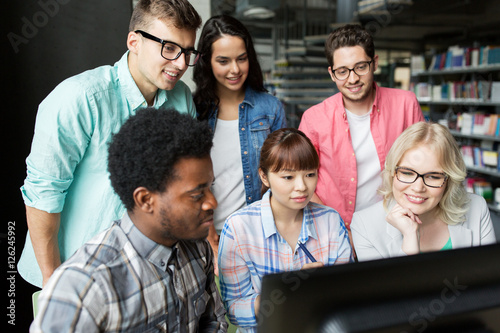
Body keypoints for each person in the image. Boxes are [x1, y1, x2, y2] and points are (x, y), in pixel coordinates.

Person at [19, 0, 202, 288]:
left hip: (140, 277)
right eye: (169, 48)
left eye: (188, 52)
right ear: (134, 41)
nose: (181, 64)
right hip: (72, 273)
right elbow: (43, 195)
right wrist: (54, 283)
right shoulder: (79, 98)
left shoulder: (182, 99)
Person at [30, 108, 228, 332]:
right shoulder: (85, 287)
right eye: (196, 194)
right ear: (145, 200)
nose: (213, 202)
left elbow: (212, 323)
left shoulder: (198, 248)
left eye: (210, 187)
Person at [218, 128, 353, 331]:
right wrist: (288, 294)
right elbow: (234, 309)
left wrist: (326, 285)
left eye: (310, 174)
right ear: (264, 177)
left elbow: (346, 297)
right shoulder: (238, 228)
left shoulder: (331, 221)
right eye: (288, 177)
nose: (302, 186)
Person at [298, 24, 424, 235]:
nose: (353, 78)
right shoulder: (314, 119)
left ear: (374, 63)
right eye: (342, 71)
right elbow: (301, 178)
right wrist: (335, 228)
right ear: (332, 74)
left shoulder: (406, 104)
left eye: (360, 67)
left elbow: (425, 163)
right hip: (333, 230)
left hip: (394, 226)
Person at [193, 14, 286, 273]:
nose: (234, 69)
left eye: (241, 58)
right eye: (223, 60)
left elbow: (283, 175)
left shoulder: (270, 108)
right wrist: (210, 236)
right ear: (207, 61)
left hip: (260, 233)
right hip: (205, 235)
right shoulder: (194, 111)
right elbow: (190, 182)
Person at [351, 122, 497, 262]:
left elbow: (491, 280)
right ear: (392, 172)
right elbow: (391, 288)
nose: (418, 187)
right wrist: (409, 238)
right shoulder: (365, 225)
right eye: (407, 173)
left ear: (449, 180)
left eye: (433, 176)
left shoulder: (477, 208)